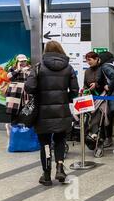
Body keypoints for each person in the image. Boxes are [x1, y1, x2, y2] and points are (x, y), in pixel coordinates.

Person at [25, 41, 79, 186]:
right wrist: (63, 99)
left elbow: (29, 88)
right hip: (62, 111)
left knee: (45, 143)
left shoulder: (38, 67)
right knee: (60, 139)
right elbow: (75, 91)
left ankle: (47, 174)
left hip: (42, 112)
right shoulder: (68, 68)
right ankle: (60, 167)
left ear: (46, 51)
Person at [6, 54, 31, 126]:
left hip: (26, 94)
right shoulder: (12, 68)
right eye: (21, 61)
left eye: (24, 61)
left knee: (26, 112)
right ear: (17, 61)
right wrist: (18, 70)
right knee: (14, 113)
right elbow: (9, 77)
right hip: (15, 94)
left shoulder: (30, 68)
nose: (23, 62)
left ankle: (24, 131)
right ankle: (14, 131)